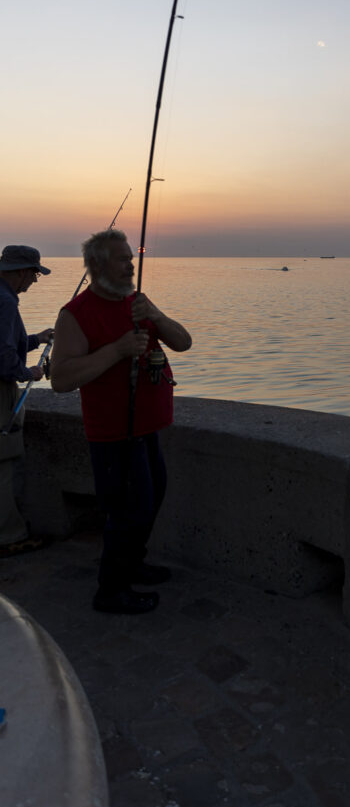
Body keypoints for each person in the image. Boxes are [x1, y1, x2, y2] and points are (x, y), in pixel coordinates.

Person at [50, 229, 192, 613]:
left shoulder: (137, 302)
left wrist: (156, 316)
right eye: (122, 258)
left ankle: (133, 564)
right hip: (113, 434)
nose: (131, 263)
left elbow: (183, 342)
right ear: (98, 265)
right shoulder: (75, 314)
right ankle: (111, 591)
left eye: (131, 257)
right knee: (127, 510)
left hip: (146, 430)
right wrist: (116, 351)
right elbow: (60, 379)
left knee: (151, 499)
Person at [0, 245, 53, 557]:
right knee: (3, 464)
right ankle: (8, 537)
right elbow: (3, 355)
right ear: (20, 271)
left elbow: (8, 342)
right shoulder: (6, 302)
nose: (34, 280)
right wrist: (26, 372)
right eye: (34, 273)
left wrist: (36, 339)